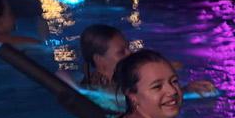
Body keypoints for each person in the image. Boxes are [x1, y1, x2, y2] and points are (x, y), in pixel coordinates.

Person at [76, 24, 216, 95]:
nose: (129, 54)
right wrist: (185, 91)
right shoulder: (106, 88)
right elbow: (141, 103)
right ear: (99, 59)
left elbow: (177, 66)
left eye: (128, 48)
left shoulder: (119, 77)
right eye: (121, 52)